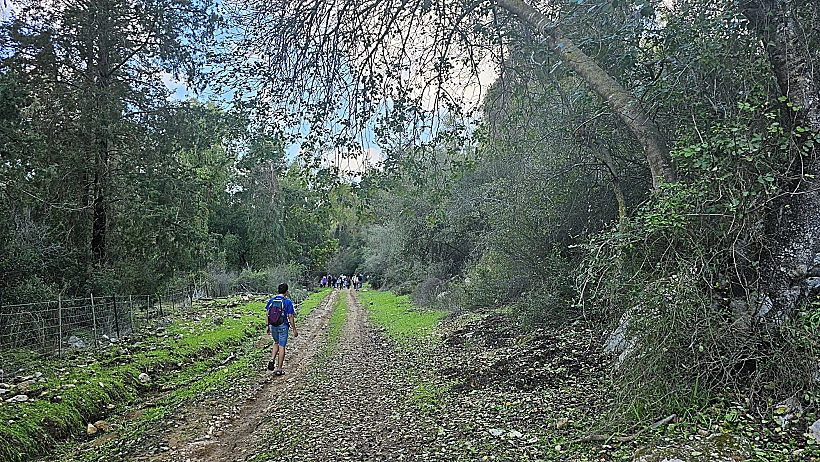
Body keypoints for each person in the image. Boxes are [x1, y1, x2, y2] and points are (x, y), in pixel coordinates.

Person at [266, 283, 298, 375]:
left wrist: (267, 326)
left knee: (276, 342)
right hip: (283, 326)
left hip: (273, 326)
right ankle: (279, 369)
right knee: (282, 346)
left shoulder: (272, 300)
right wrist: (294, 329)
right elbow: (290, 316)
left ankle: (272, 359)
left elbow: (267, 313)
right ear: (286, 292)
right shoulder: (287, 302)